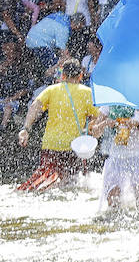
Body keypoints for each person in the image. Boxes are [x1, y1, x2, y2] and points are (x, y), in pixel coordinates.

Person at [16, 58, 99, 192]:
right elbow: (98, 117)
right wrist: (89, 129)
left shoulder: (51, 90)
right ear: (81, 75)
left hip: (51, 145)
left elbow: (34, 107)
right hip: (74, 146)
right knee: (72, 183)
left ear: (63, 75)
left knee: (45, 179)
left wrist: (25, 128)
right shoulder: (87, 92)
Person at [90, 104, 139, 209]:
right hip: (116, 159)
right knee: (113, 200)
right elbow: (94, 133)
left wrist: (138, 126)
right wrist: (105, 123)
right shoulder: (110, 102)